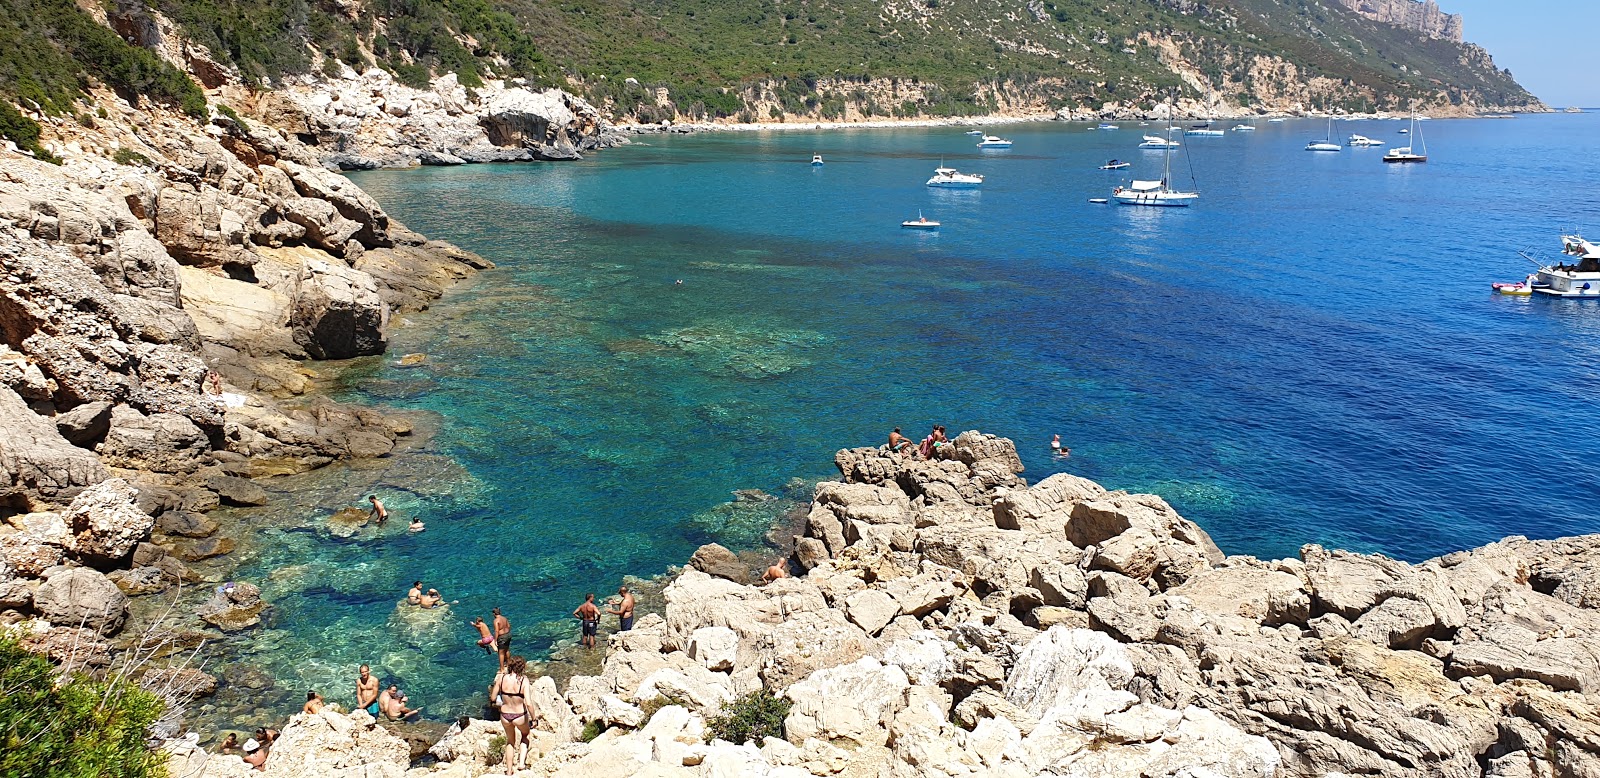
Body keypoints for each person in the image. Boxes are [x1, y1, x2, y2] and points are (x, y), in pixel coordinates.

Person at [490, 655, 535, 774]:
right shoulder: (523, 680)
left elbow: (493, 697)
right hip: (520, 715)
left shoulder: (502, 678)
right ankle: (521, 764)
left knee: (510, 741)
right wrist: (534, 719)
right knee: (525, 735)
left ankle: (509, 771)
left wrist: (501, 702)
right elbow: (529, 703)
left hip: (505, 715)